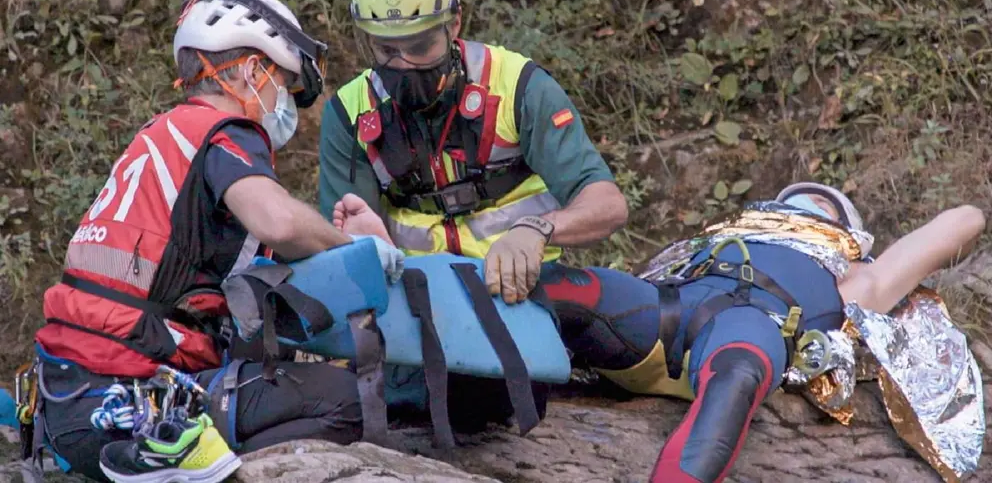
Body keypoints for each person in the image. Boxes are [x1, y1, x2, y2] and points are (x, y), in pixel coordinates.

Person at [337, 180, 986, 483]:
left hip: (751, 327)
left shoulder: (857, 277)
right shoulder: (711, 241)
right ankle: (403, 268)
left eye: (823, 203)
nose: (805, 204)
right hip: (662, 307)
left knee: (736, 377)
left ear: (845, 231)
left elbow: (963, 218)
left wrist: (864, 254)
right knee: (560, 283)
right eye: (797, 198)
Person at [27, 0, 406, 483]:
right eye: (284, 85)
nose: (285, 103)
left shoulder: (160, 137)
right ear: (252, 72)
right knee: (349, 400)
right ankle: (189, 462)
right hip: (136, 398)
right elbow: (280, 222)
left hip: (66, 402)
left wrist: (330, 241)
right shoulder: (225, 130)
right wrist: (356, 246)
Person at [318, 0, 629, 305]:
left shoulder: (517, 87)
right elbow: (342, 245)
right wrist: (365, 246)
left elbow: (607, 204)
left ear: (454, 24)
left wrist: (538, 228)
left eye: (419, 46)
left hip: (524, 288)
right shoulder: (351, 111)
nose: (402, 64)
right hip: (417, 298)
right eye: (385, 49)